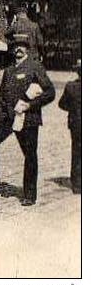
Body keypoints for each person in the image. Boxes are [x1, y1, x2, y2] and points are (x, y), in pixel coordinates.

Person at [0, 33, 55, 206]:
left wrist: (30, 105)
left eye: (22, 45)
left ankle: (29, 195)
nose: (18, 48)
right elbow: (1, 94)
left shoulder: (35, 67)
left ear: (27, 48)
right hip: (7, 117)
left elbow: (50, 92)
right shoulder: (9, 70)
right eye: (15, 45)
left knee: (30, 155)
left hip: (28, 119)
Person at [58, 59, 81, 195]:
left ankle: (77, 184)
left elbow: (62, 104)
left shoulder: (71, 86)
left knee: (77, 152)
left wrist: (74, 108)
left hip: (76, 123)